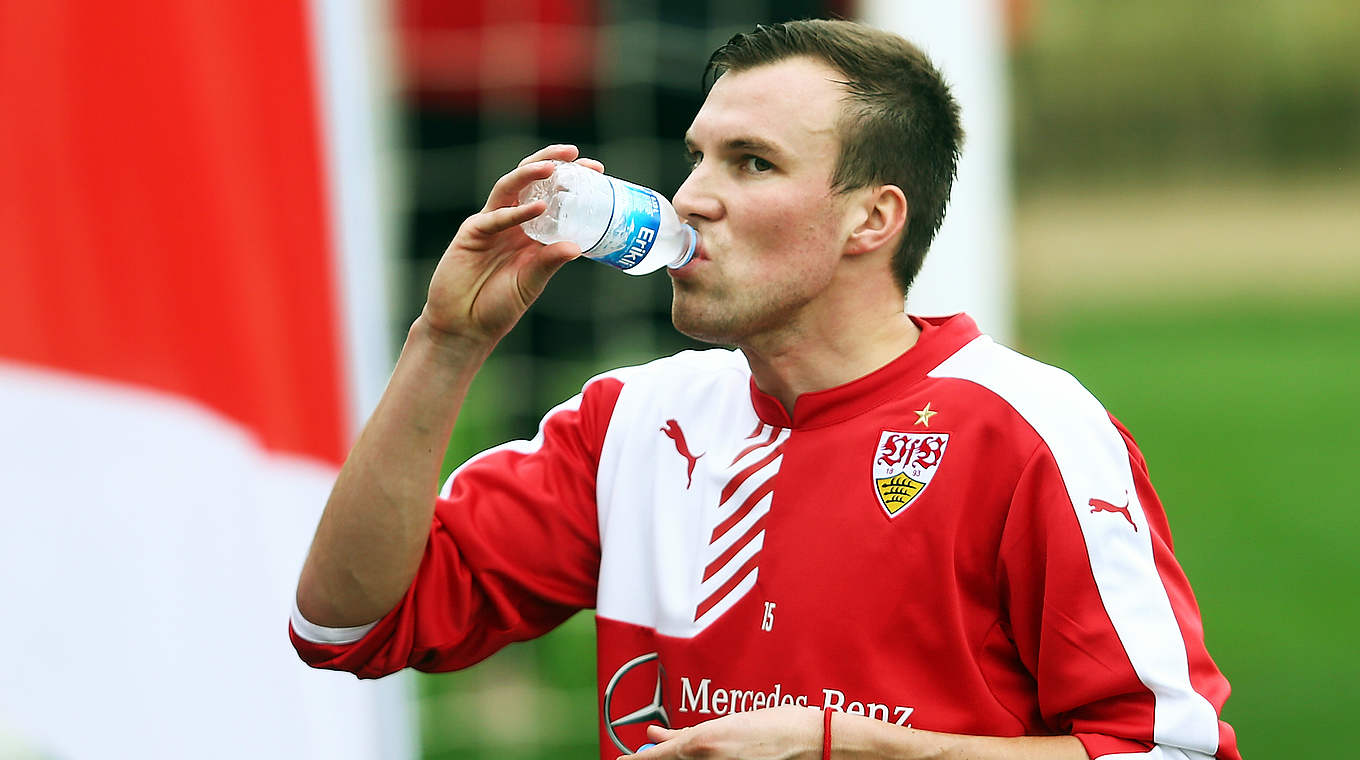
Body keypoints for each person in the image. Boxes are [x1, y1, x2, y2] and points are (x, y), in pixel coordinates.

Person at [291, 19, 1240, 760]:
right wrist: (446, 343)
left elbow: (1169, 749)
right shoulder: (633, 424)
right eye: (698, 155)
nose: (692, 197)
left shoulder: (1029, 430)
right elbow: (344, 625)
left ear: (872, 217)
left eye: (751, 163)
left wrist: (861, 748)